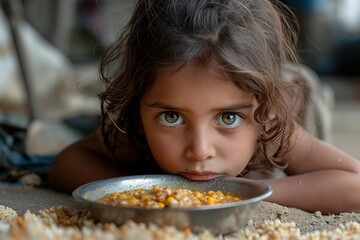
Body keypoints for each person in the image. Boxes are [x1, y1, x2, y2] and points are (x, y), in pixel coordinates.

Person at [49, 0, 360, 214]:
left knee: (300, 85)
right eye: (171, 117)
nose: (199, 150)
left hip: (293, 88)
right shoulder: (136, 129)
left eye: (228, 117)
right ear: (138, 103)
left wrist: (247, 192)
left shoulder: (270, 123)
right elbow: (67, 161)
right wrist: (138, 193)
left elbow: (354, 184)